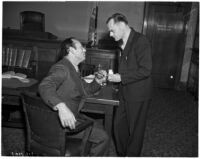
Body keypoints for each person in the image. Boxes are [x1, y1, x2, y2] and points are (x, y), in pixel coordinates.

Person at [38, 37, 109, 156]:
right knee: (103, 137)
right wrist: (61, 106)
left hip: (73, 114)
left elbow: (85, 90)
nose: (85, 50)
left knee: (96, 126)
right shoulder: (62, 68)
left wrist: (97, 80)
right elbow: (44, 86)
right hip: (61, 123)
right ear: (71, 50)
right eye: (81, 47)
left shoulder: (72, 67)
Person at [106, 13, 153, 156]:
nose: (110, 34)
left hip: (139, 94)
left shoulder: (140, 41)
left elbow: (146, 70)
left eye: (112, 30)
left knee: (135, 131)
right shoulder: (121, 43)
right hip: (124, 92)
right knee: (118, 126)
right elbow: (128, 67)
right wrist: (116, 78)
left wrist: (121, 77)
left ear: (121, 25)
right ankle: (122, 154)